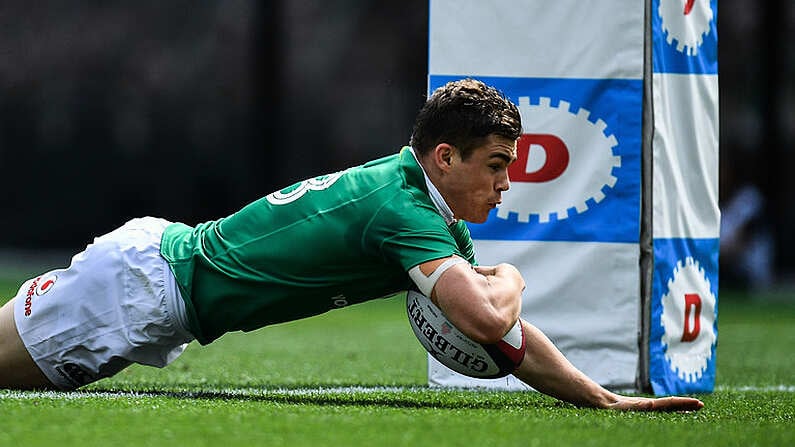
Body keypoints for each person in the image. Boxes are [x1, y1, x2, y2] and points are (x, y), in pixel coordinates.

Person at [0, 79, 703, 411]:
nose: (506, 184)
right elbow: (490, 320)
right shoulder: (401, 213)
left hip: (155, 277)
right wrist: (510, 273)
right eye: (496, 165)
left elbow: (505, 338)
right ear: (445, 157)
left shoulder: (417, 203)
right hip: (142, 288)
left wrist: (598, 398)